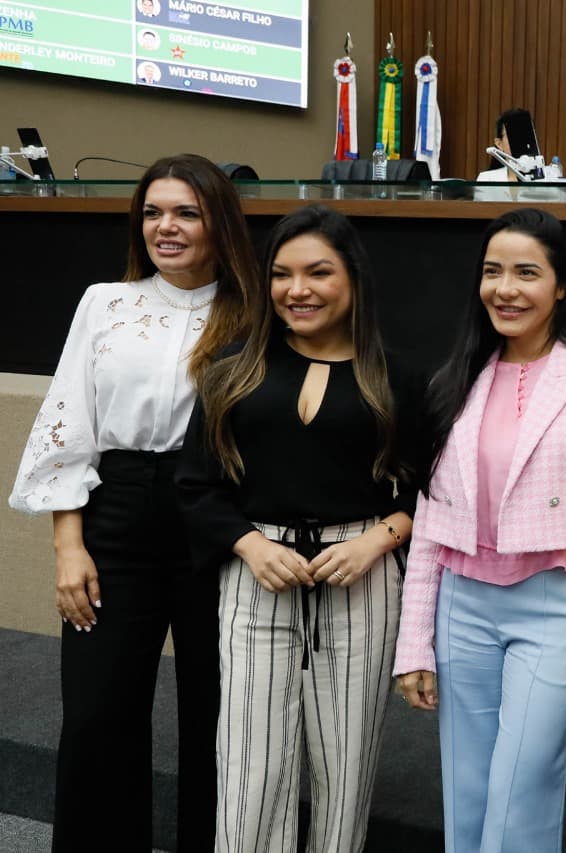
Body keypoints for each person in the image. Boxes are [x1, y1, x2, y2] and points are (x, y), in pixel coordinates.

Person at [9, 153, 256, 851]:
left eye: (185, 212)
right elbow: (69, 422)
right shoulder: (103, 302)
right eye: (152, 212)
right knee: (96, 715)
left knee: (221, 715)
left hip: (218, 521)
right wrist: (68, 545)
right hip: (114, 515)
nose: (165, 227)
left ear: (219, 223)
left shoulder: (258, 311)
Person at [395, 208, 566, 853]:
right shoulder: (457, 377)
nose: (505, 289)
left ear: (561, 285)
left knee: (524, 780)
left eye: (526, 273)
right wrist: (414, 644)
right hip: (462, 602)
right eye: (492, 272)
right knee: (470, 784)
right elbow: (431, 521)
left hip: (556, 603)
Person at [176, 205, 421, 852]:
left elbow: (433, 490)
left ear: (353, 280)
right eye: (282, 274)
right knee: (250, 765)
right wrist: (251, 544)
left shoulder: (399, 378)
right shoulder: (232, 368)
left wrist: (378, 538)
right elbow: (195, 484)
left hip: (362, 578)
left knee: (346, 766)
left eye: (318, 272)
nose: (297, 289)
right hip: (255, 576)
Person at [476, 107, 533, 182]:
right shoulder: (486, 179)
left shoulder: (548, 179)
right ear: (499, 144)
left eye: (525, 134)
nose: (520, 139)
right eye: (513, 134)